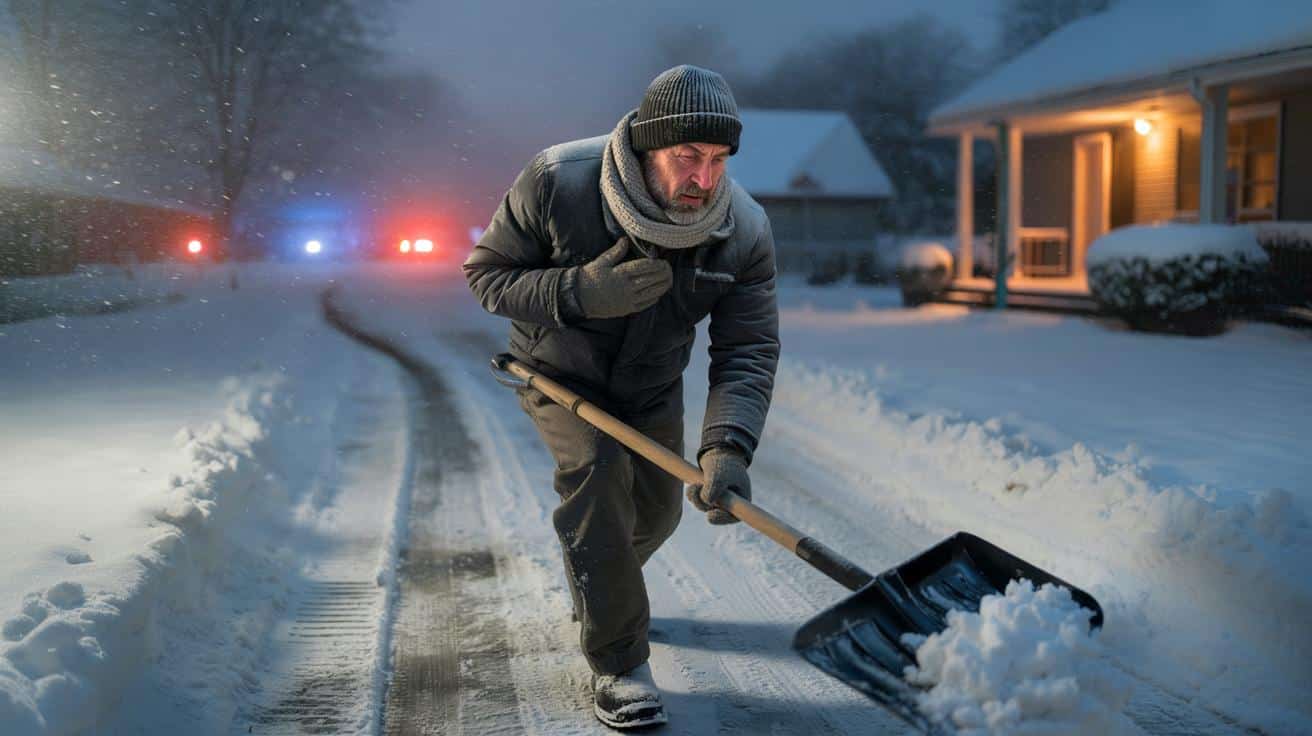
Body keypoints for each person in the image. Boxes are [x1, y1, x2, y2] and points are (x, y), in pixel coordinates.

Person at [463, 65, 779, 729]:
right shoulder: (557, 180)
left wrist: (728, 446)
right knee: (600, 476)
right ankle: (619, 662)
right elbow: (488, 277)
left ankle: (598, 574)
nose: (703, 179)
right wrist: (576, 293)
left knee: (658, 515)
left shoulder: (743, 230)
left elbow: (746, 350)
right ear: (644, 148)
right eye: (686, 157)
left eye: (718, 160)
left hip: (651, 385)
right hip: (559, 372)